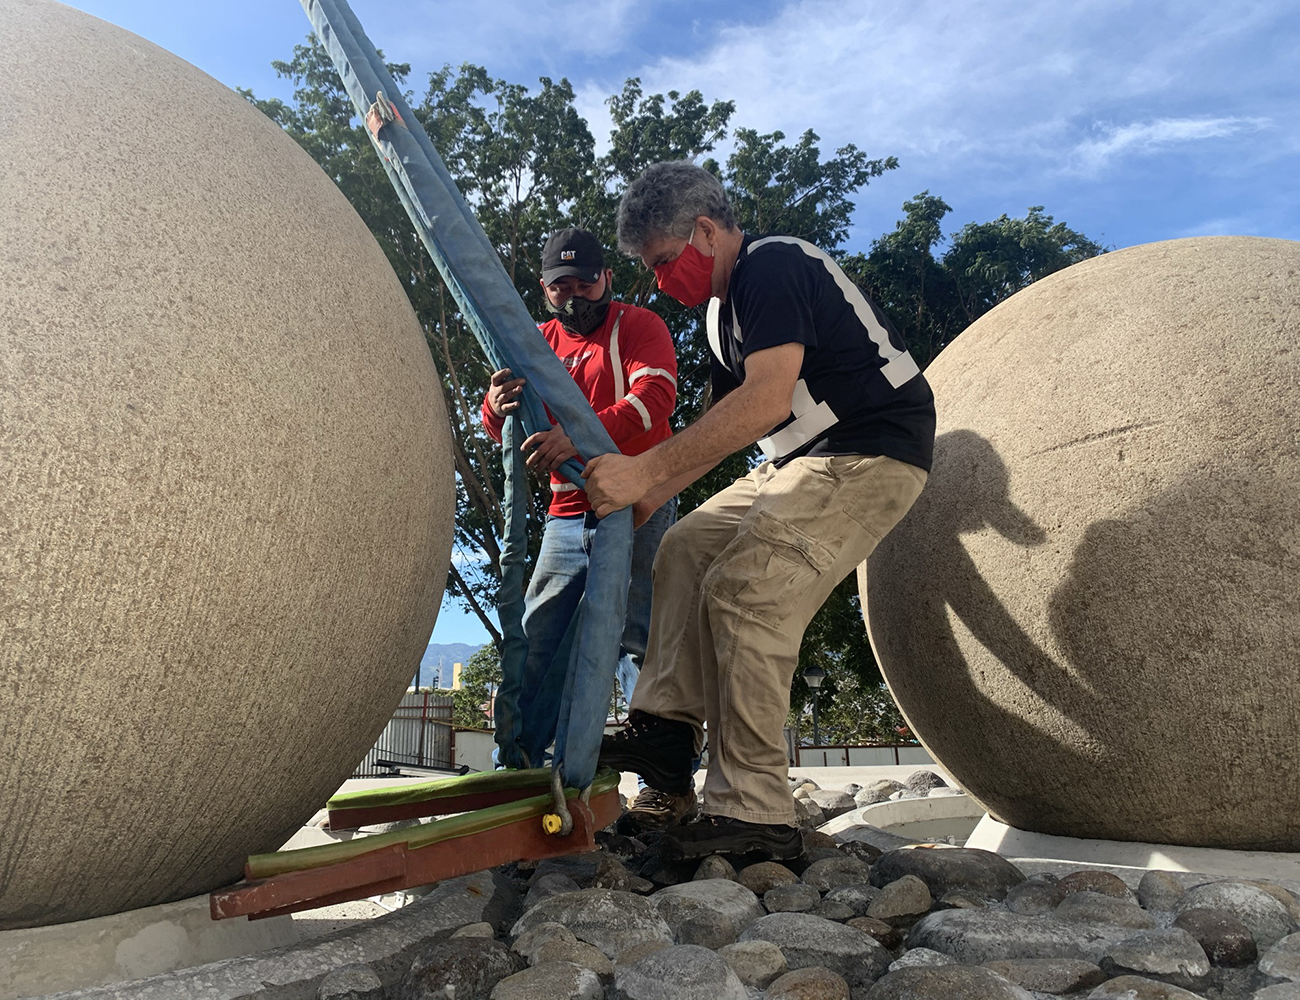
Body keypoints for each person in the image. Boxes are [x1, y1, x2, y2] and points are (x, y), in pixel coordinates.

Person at [586, 162, 936, 859]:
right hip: (801, 461)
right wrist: (653, 495)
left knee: (747, 592)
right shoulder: (722, 315)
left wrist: (642, 469)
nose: (660, 282)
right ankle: (664, 737)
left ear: (706, 232)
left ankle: (755, 813)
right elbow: (728, 420)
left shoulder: (772, 265)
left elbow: (768, 400)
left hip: (869, 449)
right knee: (685, 547)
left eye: (663, 262)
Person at [482, 226, 689, 828]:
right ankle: (522, 770)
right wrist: (497, 405)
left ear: (606, 279)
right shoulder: (534, 346)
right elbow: (505, 435)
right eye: (561, 286)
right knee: (538, 637)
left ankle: (666, 787)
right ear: (545, 290)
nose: (576, 296)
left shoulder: (638, 327)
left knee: (638, 640)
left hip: (639, 505)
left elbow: (656, 396)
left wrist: (582, 435)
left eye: (586, 282)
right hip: (566, 516)